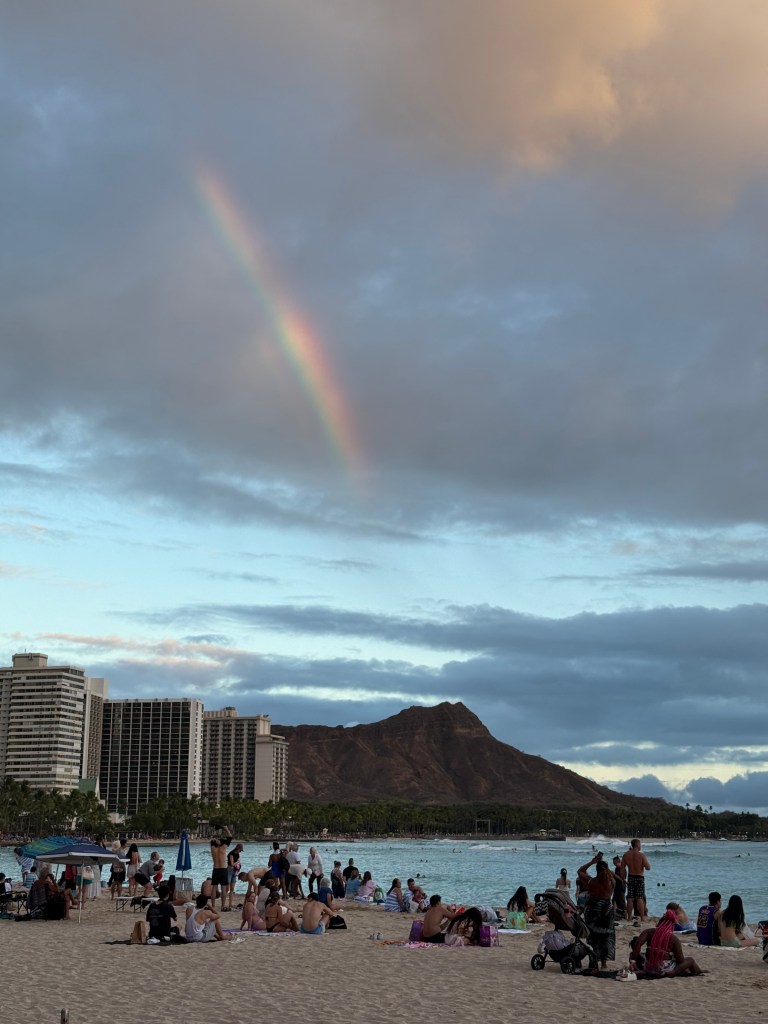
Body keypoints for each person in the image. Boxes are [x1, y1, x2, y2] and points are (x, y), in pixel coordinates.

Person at [631, 909, 707, 976]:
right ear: (671, 925)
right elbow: (680, 960)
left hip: (648, 966)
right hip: (664, 969)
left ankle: (699, 971)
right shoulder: (673, 939)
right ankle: (677, 972)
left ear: (660, 922)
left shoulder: (648, 932)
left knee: (636, 954)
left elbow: (638, 944)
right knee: (690, 960)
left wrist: (633, 960)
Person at [578, 853, 616, 970]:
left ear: (597, 870)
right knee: (606, 935)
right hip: (607, 909)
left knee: (593, 935)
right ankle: (604, 963)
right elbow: (610, 876)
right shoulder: (611, 882)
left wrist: (592, 862)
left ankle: (593, 960)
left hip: (593, 909)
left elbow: (580, 871)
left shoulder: (591, 881)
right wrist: (605, 867)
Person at [621, 838, 650, 921]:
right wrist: (642, 865)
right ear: (637, 845)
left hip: (630, 877)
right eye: (640, 844)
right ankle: (642, 917)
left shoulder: (626, 855)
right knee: (639, 897)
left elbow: (622, 868)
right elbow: (648, 867)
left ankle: (629, 917)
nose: (640, 846)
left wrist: (623, 878)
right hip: (639, 877)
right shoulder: (641, 855)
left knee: (630, 897)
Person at [209, 829, 232, 911]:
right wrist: (226, 829)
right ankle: (222, 906)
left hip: (216, 869)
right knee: (223, 888)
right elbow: (230, 837)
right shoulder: (223, 848)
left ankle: (213, 906)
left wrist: (215, 840)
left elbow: (212, 841)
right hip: (223, 869)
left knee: (214, 887)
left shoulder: (213, 849)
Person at [225, 843, 243, 910]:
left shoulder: (237, 854)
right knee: (227, 888)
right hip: (229, 870)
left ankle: (230, 904)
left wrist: (238, 865)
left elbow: (237, 863)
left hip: (235, 871)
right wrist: (237, 862)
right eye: (240, 850)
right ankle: (224, 903)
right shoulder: (231, 854)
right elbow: (232, 864)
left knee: (232, 889)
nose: (240, 851)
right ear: (238, 848)